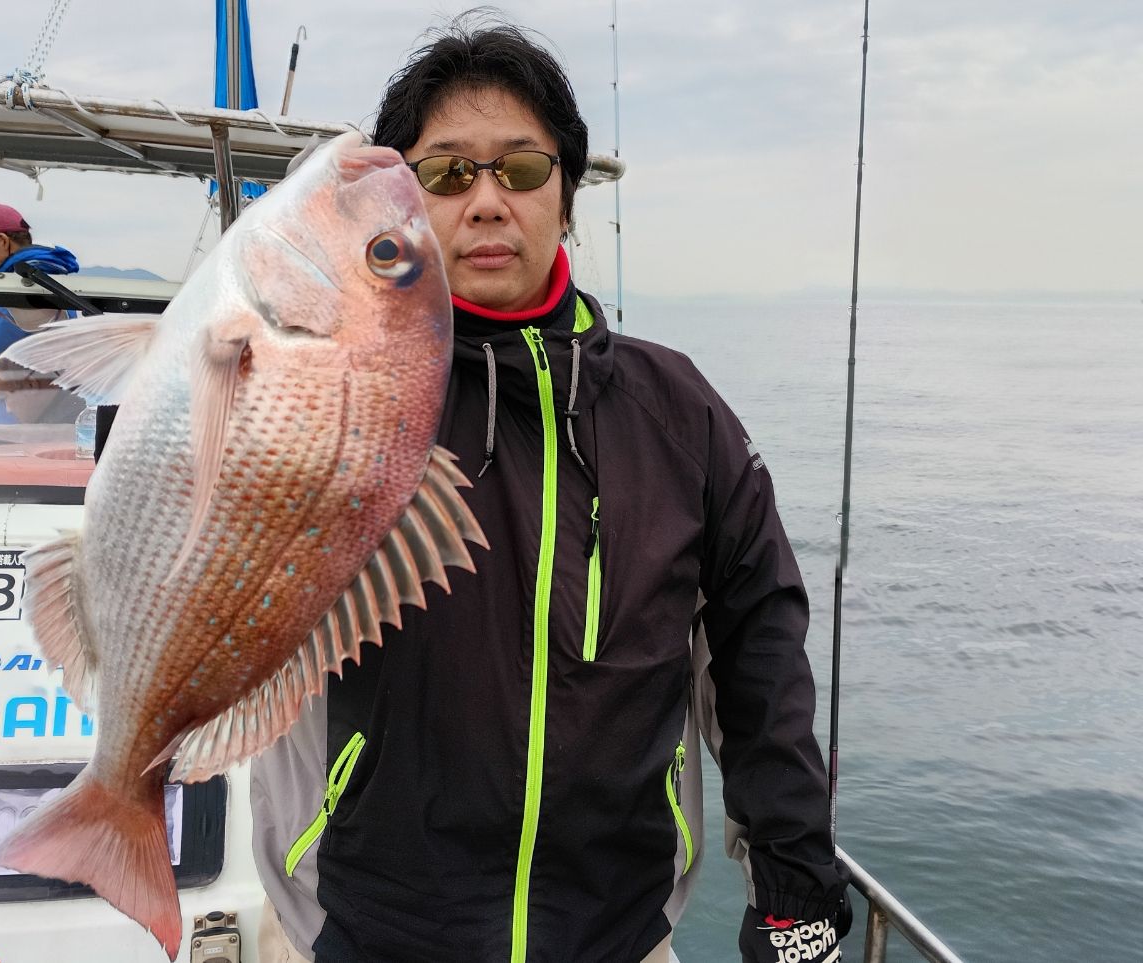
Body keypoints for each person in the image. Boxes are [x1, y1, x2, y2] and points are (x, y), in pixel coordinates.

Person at [251, 15, 850, 963]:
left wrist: (795, 881)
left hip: (618, 935)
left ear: (565, 196)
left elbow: (759, 648)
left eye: (521, 170)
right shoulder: (327, 388)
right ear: (397, 202)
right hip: (360, 930)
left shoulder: (680, 408)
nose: (486, 201)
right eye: (446, 173)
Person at [0, 203, 80, 407]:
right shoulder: (50, 279)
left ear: (2, 240)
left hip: (20, 416)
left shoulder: (20, 290)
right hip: (54, 407)